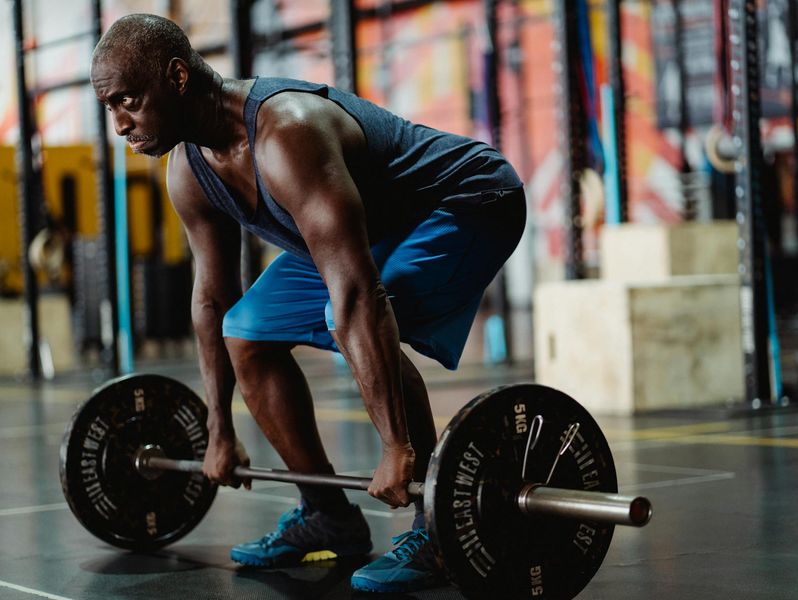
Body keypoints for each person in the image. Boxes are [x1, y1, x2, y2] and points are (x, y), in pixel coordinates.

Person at [91, 13, 525, 594]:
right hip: (374, 227)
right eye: (110, 107)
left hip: (467, 200)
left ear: (176, 76)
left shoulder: (286, 134)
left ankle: (437, 528)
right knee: (246, 331)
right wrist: (217, 427)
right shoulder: (190, 171)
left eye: (129, 101)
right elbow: (214, 299)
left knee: (349, 312)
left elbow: (358, 296)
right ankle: (328, 514)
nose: (119, 123)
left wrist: (397, 447)